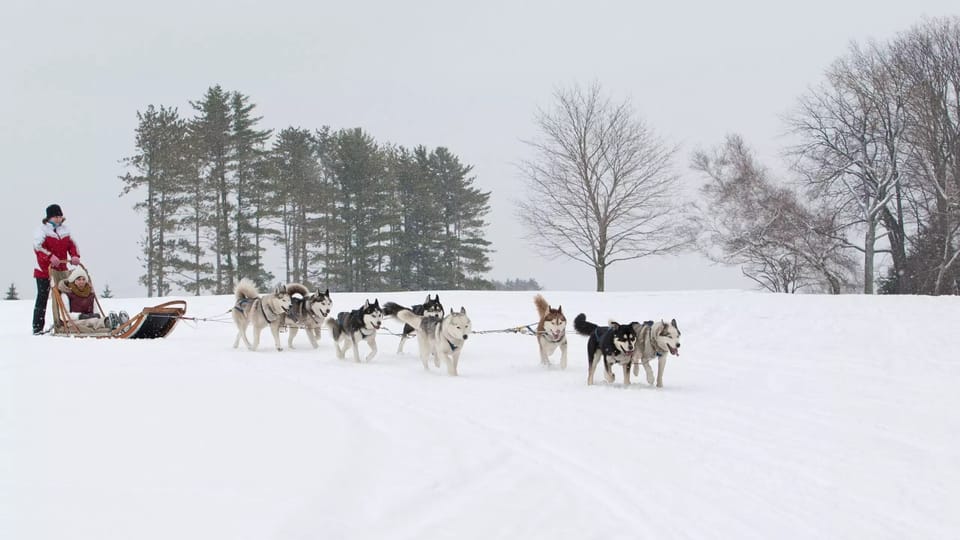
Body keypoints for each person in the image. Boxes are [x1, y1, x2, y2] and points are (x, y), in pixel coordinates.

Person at [32, 204, 80, 334]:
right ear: (49, 218)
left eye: (60, 216)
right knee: (43, 297)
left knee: (64, 297)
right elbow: (38, 248)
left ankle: (64, 323)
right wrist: (49, 257)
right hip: (44, 271)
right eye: (55, 217)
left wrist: (75, 256)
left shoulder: (65, 230)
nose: (58, 219)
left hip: (61, 270)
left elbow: (72, 245)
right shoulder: (42, 230)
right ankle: (37, 327)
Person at [56, 267, 128, 332]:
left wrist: (95, 315)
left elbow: (96, 312)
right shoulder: (66, 295)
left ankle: (119, 322)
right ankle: (111, 323)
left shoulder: (89, 294)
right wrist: (80, 316)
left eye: (83, 279)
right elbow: (64, 316)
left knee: (95, 320)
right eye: (78, 279)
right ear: (73, 281)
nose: (82, 282)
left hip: (91, 320)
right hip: (73, 322)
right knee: (91, 321)